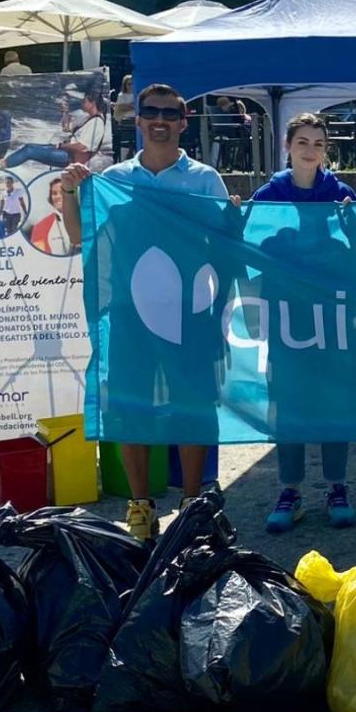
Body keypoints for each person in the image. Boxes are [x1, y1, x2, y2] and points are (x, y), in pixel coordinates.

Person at [60, 83, 234, 542]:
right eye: (150, 112)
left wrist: (220, 309)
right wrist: (69, 193)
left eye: (169, 113)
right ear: (136, 121)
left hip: (191, 312)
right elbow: (81, 236)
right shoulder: (114, 180)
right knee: (129, 407)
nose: (160, 120)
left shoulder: (204, 179)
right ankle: (140, 507)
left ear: (183, 122)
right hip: (128, 312)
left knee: (193, 405)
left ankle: (193, 504)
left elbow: (227, 244)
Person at [251, 113, 356, 533]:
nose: (310, 149)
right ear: (288, 145)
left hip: (333, 318)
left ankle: (337, 486)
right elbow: (250, 247)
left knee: (337, 400)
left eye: (318, 142)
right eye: (303, 141)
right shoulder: (270, 194)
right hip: (288, 318)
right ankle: (290, 490)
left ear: (325, 149)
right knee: (290, 402)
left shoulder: (340, 193)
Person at [4, 92, 112, 169]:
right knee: (29, 146)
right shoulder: (87, 119)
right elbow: (66, 128)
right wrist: (65, 112)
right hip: (66, 152)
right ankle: (3, 164)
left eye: (84, 101)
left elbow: (82, 147)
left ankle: (2, 166)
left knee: (29, 150)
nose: (82, 104)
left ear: (92, 103)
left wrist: (61, 146)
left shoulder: (97, 123)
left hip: (70, 157)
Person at [28, 177, 75, 256]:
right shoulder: (40, 227)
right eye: (54, 193)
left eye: (62, 192)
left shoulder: (86, 220)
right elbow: (37, 257)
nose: (58, 196)